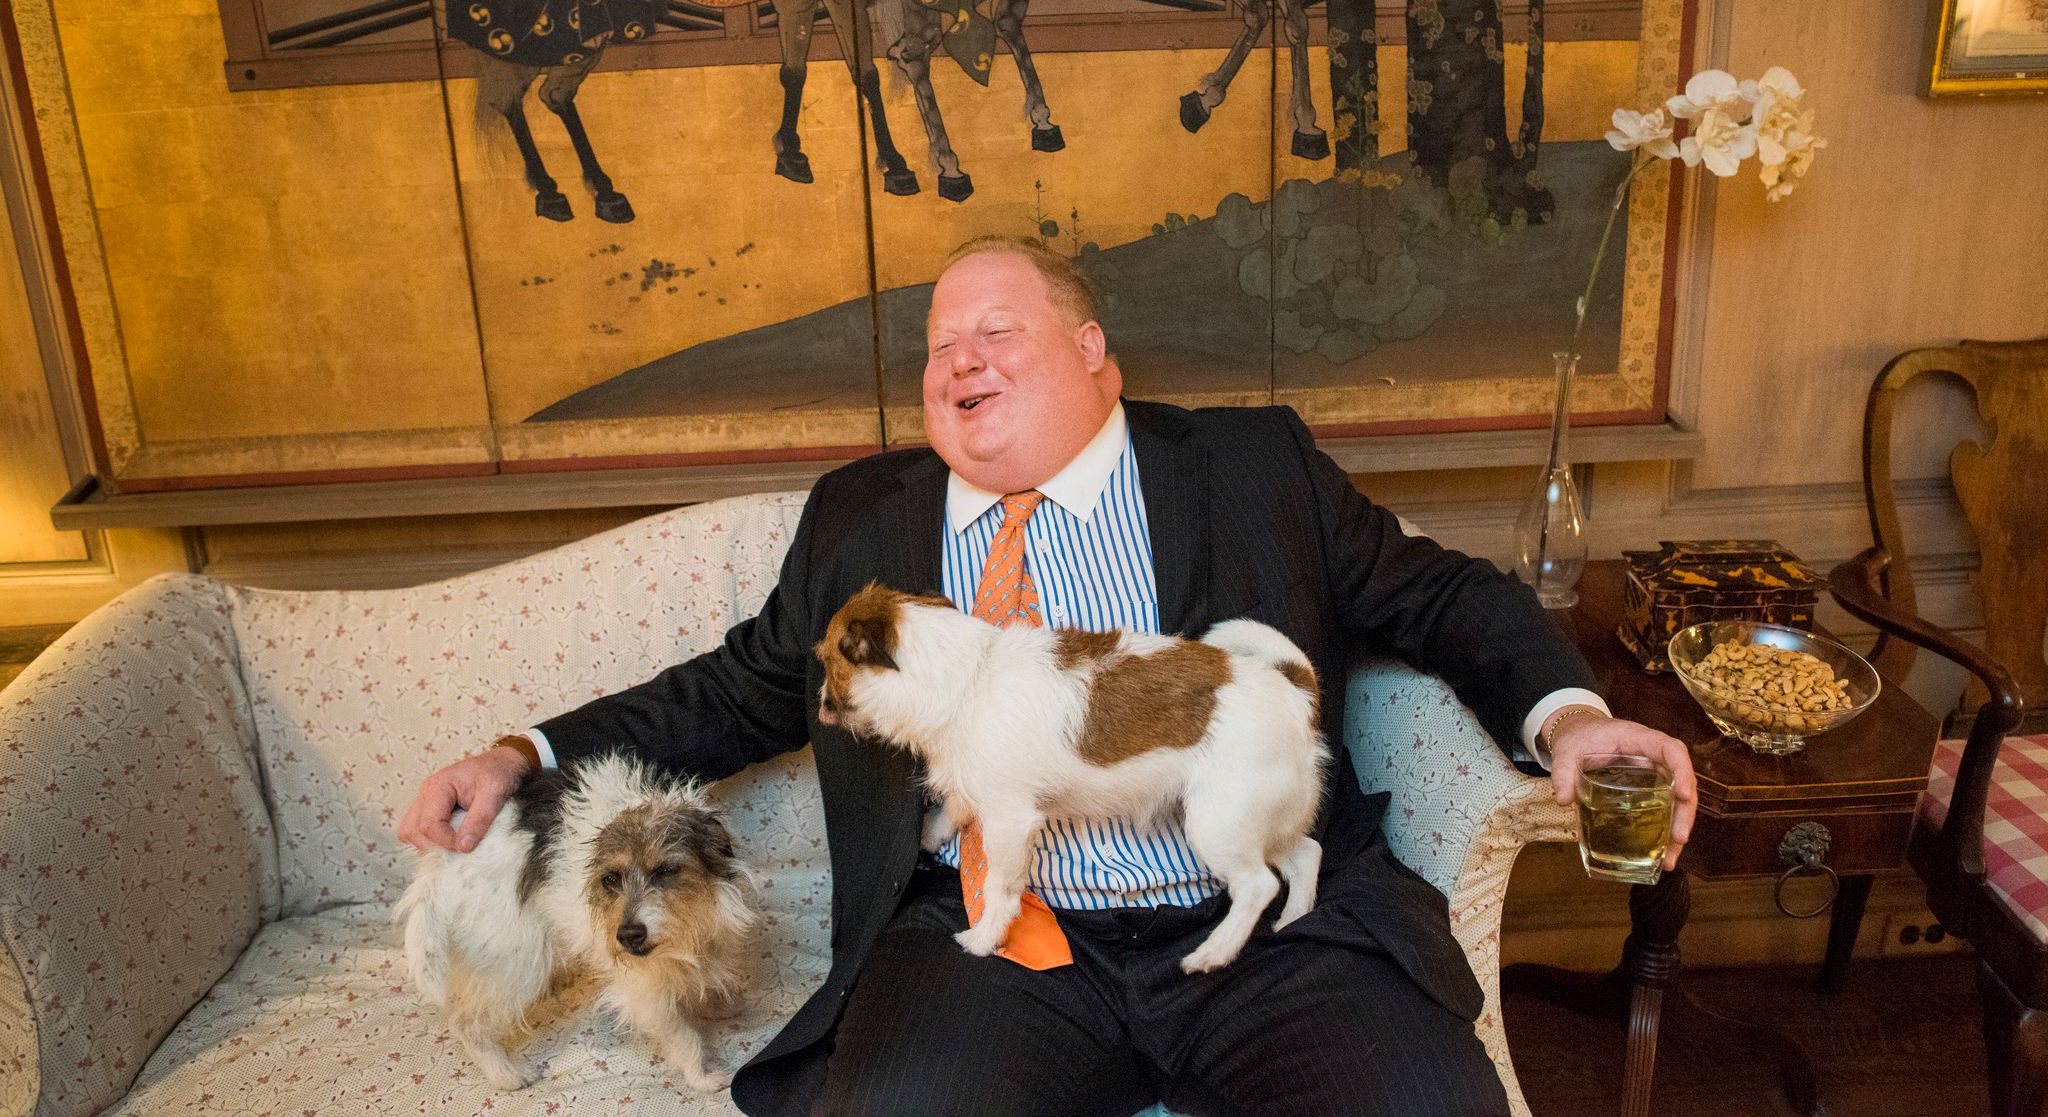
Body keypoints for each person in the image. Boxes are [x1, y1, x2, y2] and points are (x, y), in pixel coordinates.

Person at [399, 235, 1697, 1117]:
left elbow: (1439, 593)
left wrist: (1571, 719)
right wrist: (527, 751)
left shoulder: (1250, 469)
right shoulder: (865, 516)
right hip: (997, 951)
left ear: (1094, 353)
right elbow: (740, 686)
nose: (957, 357)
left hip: (1270, 940)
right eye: (936, 344)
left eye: (995, 329)